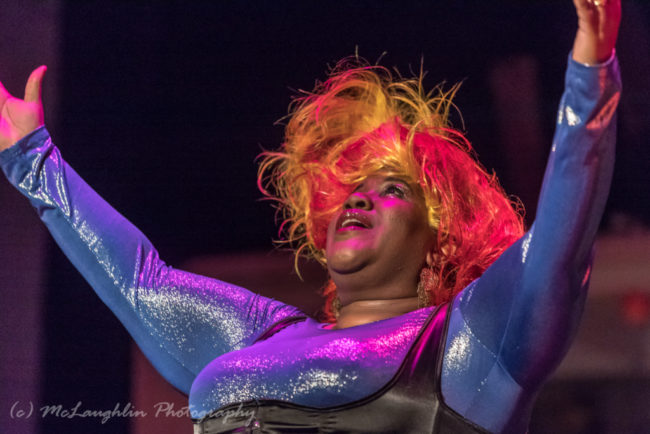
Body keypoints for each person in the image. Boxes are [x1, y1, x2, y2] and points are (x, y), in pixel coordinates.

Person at [0, 0, 621, 432]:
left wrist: (590, 79)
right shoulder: (260, 338)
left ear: (440, 241)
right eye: (351, 188)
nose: (357, 198)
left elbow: (560, 250)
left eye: (392, 190)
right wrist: (32, 158)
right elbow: (140, 281)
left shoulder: (469, 343)